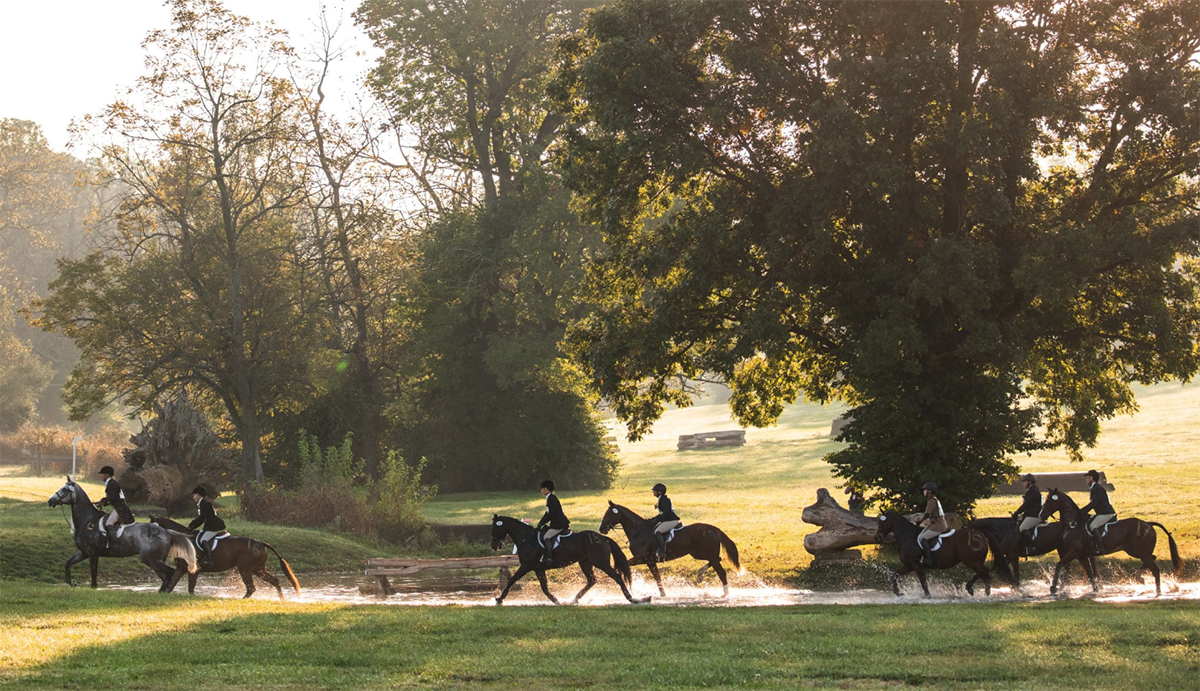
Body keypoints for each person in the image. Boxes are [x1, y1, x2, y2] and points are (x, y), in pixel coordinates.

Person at [187, 486, 227, 568]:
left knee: (203, 540)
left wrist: (193, 525)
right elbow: (202, 518)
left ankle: (209, 559)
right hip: (210, 525)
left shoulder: (204, 504)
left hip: (214, 526)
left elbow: (202, 518)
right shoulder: (202, 503)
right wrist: (193, 525)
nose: (193, 497)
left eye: (194, 495)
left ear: (198, 495)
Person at [97, 466, 135, 551]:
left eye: (102, 474)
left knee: (109, 523)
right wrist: (104, 501)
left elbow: (113, 498)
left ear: (106, 475)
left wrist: (104, 501)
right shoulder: (111, 482)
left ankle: (115, 544)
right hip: (119, 507)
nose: (101, 476)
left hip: (120, 508)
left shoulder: (111, 484)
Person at [1079, 469, 1116, 554]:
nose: (1086, 480)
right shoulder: (1094, 488)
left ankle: (1100, 547)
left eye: (1087, 478)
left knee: (1093, 525)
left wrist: (1082, 511)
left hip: (1106, 513)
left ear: (1091, 478)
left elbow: (1094, 503)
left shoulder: (1097, 488)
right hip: (1101, 513)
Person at [536, 480, 569, 565]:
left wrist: (542, 523)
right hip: (556, 523)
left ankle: (549, 557)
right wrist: (540, 523)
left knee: (546, 536)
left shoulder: (551, 499)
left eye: (542, 488)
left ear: (546, 489)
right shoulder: (550, 498)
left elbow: (551, 514)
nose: (541, 490)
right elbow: (547, 513)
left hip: (559, 524)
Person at [916, 482, 949, 567]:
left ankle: (929, 559)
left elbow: (927, 514)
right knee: (920, 536)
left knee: (922, 538)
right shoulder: (934, 499)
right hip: (936, 523)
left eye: (925, 490)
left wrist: (920, 521)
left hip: (938, 525)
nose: (924, 492)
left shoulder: (931, 501)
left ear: (929, 491)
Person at [649, 482, 681, 562]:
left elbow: (666, 514)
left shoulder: (664, 500)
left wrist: (656, 520)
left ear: (659, 492)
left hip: (672, 520)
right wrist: (653, 519)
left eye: (654, 491)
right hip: (668, 519)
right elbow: (662, 514)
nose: (653, 492)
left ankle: (662, 552)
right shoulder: (661, 499)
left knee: (657, 531)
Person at [1010, 473, 1042, 554]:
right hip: (1030, 514)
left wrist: (1017, 513)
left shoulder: (1033, 492)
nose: (1023, 483)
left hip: (1035, 515)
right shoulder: (1031, 490)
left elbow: (1026, 505)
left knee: (1022, 528)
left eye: (1025, 482)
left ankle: (1031, 547)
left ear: (1030, 482)